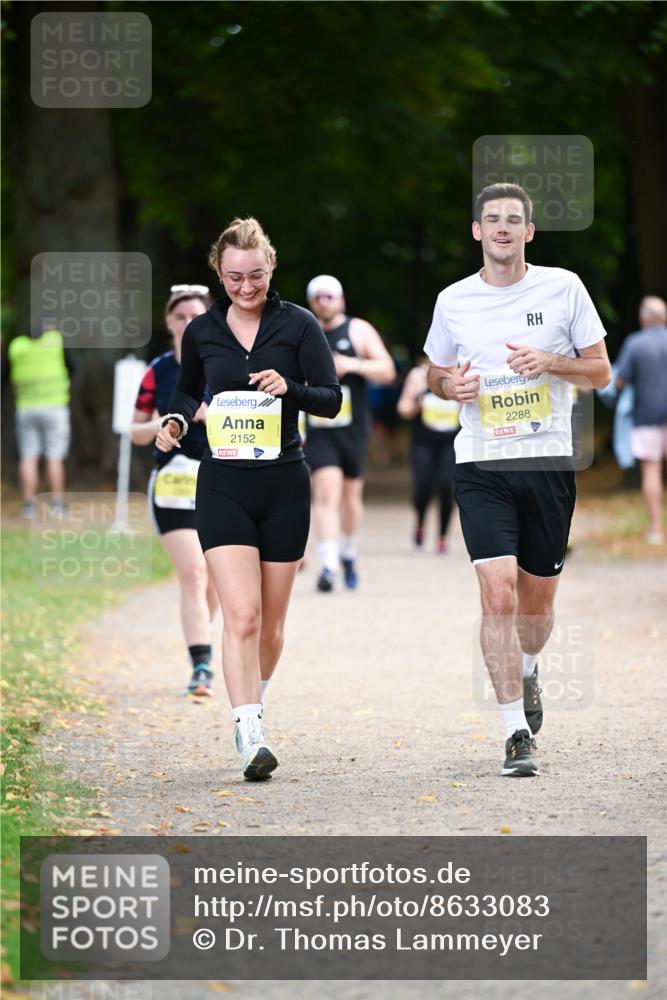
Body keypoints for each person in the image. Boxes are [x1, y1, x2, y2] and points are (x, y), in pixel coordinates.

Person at [425, 182, 611, 777]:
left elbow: (602, 373)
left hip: (549, 461)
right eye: (491, 219)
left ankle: (529, 669)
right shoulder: (453, 300)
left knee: (536, 606)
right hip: (481, 462)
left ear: (529, 231)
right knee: (497, 594)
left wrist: (550, 361)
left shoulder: (564, 288)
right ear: (476, 231)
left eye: (514, 220)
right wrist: (447, 387)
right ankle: (514, 733)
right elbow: (434, 371)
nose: (502, 228)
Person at [156, 219, 341, 781]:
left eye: (256, 275)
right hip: (222, 485)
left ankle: (253, 699)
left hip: (284, 484)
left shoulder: (299, 325)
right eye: (234, 277)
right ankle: (249, 726)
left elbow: (331, 399)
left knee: (272, 624)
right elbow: (187, 392)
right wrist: (172, 419)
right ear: (219, 273)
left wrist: (293, 389)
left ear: (271, 269)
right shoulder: (203, 331)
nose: (246, 286)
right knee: (241, 613)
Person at [131, 284, 219, 697]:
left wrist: (211, 414)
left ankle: (203, 635)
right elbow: (134, 431)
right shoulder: (158, 370)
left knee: (216, 580)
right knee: (194, 572)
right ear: (168, 322)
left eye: (194, 317)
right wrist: (166, 421)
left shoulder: (225, 365)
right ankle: (201, 664)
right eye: (180, 317)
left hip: (220, 481)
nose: (187, 324)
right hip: (172, 482)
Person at [304, 274, 395, 592]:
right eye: (319, 297)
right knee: (325, 495)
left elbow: (387, 370)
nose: (324, 302)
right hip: (319, 429)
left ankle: (348, 554)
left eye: (330, 296)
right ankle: (327, 566)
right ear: (312, 302)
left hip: (353, 428)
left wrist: (352, 365)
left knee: (350, 498)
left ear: (341, 300)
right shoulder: (304, 332)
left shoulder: (358, 330)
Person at [6, 325, 74, 518]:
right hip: (54, 408)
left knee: (28, 456)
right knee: (54, 457)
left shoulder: (17, 347)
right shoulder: (55, 342)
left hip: (26, 408)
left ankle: (28, 505)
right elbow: (72, 369)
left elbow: (6, 376)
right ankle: (57, 505)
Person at [615, 295, 667, 545]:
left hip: (646, 416)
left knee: (652, 471)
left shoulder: (635, 344)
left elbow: (620, 381)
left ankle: (656, 529)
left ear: (643, 318)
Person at [397, 356, 460, 553]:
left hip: (450, 444)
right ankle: (420, 522)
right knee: (423, 486)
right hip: (423, 443)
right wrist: (418, 400)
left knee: (446, 487)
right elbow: (403, 409)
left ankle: (442, 536)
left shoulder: (462, 373)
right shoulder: (419, 375)